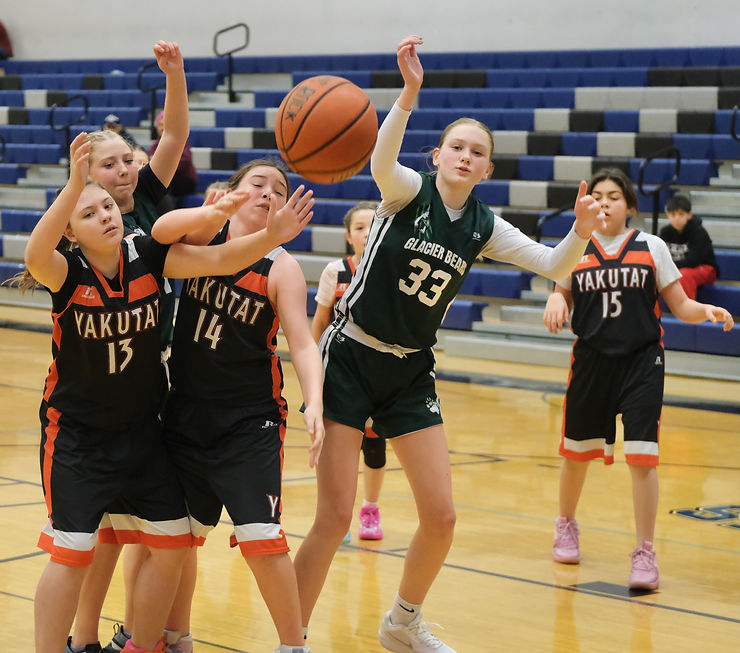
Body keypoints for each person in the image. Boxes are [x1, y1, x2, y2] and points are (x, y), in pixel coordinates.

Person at [291, 34, 609, 653]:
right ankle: (291, 635)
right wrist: (407, 94)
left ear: (488, 169)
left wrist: (581, 231)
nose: (466, 157)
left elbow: (551, 263)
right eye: (457, 147)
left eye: (478, 152)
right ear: (437, 155)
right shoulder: (404, 191)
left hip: (410, 371)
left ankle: (402, 624)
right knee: (333, 518)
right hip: (351, 356)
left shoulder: (484, 224)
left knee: (441, 517)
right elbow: (381, 160)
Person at [25, 136, 314, 653]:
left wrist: (270, 237)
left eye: (109, 206)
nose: (107, 216)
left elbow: (224, 258)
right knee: (74, 552)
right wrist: (74, 187)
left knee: (172, 542)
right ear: (71, 231)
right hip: (80, 434)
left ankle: (152, 642)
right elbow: (35, 252)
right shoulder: (66, 274)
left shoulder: (150, 259)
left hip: (146, 431)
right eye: (89, 214)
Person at [148, 159, 323, 653]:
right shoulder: (206, 235)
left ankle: (294, 646)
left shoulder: (283, 267)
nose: (269, 193)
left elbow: (303, 344)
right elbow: (162, 236)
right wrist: (211, 211)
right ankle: (174, 636)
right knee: (179, 539)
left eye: (279, 188)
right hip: (184, 412)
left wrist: (315, 402)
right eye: (257, 184)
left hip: (249, 421)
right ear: (233, 191)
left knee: (262, 541)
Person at [543, 168, 734, 591]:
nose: (605, 202)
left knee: (643, 456)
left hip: (642, 361)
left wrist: (708, 312)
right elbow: (561, 289)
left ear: (629, 205)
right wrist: (557, 297)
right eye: (598, 196)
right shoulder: (575, 247)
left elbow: (681, 305)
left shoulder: (652, 246)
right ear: (587, 204)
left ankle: (645, 551)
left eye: (614, 196)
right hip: (591, 360)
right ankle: (566, 524)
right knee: (576, 453)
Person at [62, 39, 193, 653]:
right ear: (85, 178)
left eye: (127, 160)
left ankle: (138, 633)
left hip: (152, 378)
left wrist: (176, 76)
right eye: (109, 164)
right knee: (107, 536)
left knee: (141, 531)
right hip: (100, 385)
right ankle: (84, 635)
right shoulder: (77, 236)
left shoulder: (146, 202)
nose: (123, 170)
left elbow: (174, 138)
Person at [310, 200, 386, 542]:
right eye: (359, 227)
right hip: (339, 371)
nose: (367, 231)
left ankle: (370, 509)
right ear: (348, 236)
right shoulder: (335, 272)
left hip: (379, 373)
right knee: (336, 448)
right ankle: (334, 514)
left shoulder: (392, 269)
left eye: (373, 224)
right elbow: (321, 320)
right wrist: (312, 368)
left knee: (374, 447)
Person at [659, 193, 719, 300]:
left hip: (705, 269)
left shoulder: (699, 232)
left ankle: (688, 313)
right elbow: (660, 257)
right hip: (678, 268)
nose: (677, 218)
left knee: (683, 275)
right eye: (673, 214)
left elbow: (693, 261)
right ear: (668, 215)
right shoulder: (665, 232)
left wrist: (670, 268)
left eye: (681, 214)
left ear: (689, 215)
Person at [148, 110, 198, 213]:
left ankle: (168, 214)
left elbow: (184, 162)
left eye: (165, 124)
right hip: (166, 179)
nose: (162, 127)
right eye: (160, 124)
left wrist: (163, 165)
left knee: (163, 187)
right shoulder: (155, 144)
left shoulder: (180, 141)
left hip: (183, 179)